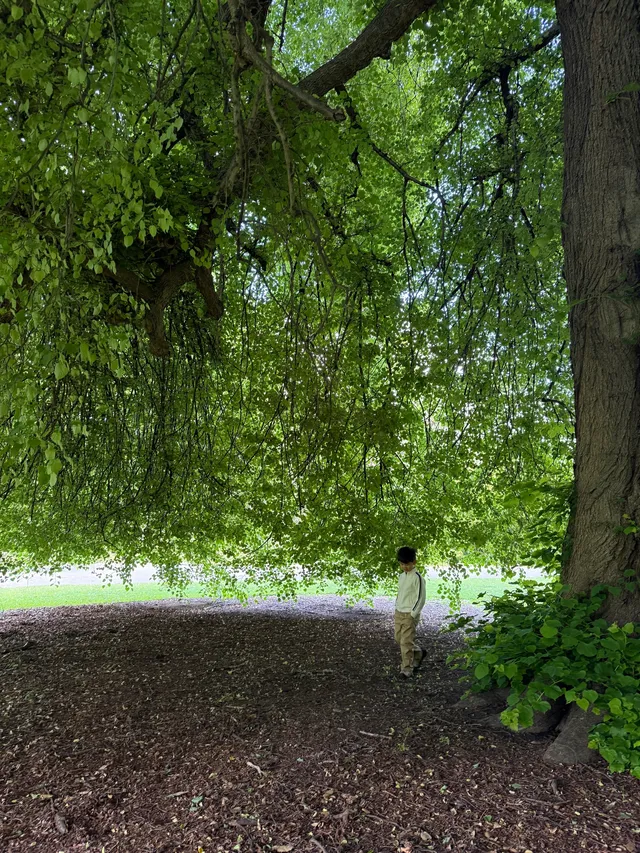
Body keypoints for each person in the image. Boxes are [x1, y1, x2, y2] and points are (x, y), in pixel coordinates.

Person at [394, 546, 426, 679]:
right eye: (402, 564)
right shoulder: (402, 576)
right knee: (398, 638)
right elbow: (401, 593)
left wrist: (413, 614)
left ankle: (407, 669)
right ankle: (418, 653)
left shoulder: (417, 578)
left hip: (409, 614)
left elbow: (421, 598)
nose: (404, 567)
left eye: (407, 564)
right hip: (399, 612)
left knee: (406, 642)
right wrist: (396, 607)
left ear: (414, 562)